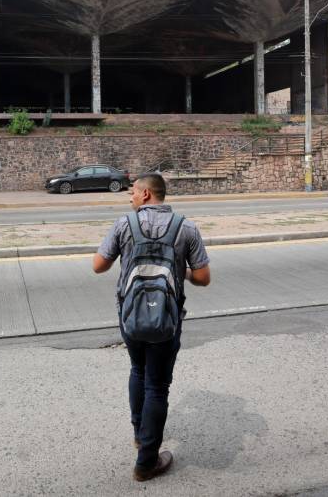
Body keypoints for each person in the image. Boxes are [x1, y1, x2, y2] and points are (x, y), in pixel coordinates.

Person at [93, 173, 211, 482]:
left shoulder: (124, 224)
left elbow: (98, 265)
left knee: (138, 370)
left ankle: (139, 435)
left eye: (133, 192)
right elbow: (203, 277)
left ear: (146, 194)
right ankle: (146, 461)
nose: (129, 196)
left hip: (130, 317)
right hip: (167, 320)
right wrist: (180, 270)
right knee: (157, 386)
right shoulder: (186, 227)